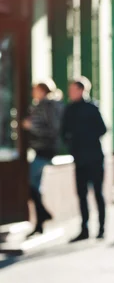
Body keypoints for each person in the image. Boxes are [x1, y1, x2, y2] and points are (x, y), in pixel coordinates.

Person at [61, 78, 107, 242]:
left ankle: (101, 228)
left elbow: (102, 129)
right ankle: (84, 229)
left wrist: (85, 137)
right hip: (79, 158)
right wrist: (71, 144)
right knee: (81, 194)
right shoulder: (69, 109)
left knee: (98, 193)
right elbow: (63, 131)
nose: (70, 93)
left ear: (81, 90)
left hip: (94, 157)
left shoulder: (92, 108)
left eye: (73, 89)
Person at [22, 81, 63, 237]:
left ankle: (43, 215)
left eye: (35, 89)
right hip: (41, 149)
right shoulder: (41, 105)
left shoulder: (47, 106)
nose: (33, 92)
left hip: (45, 150)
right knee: (35, 185)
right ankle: (40, 222)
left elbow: (52, 129)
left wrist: (30, 126)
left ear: (42, 90)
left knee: (32, 184)